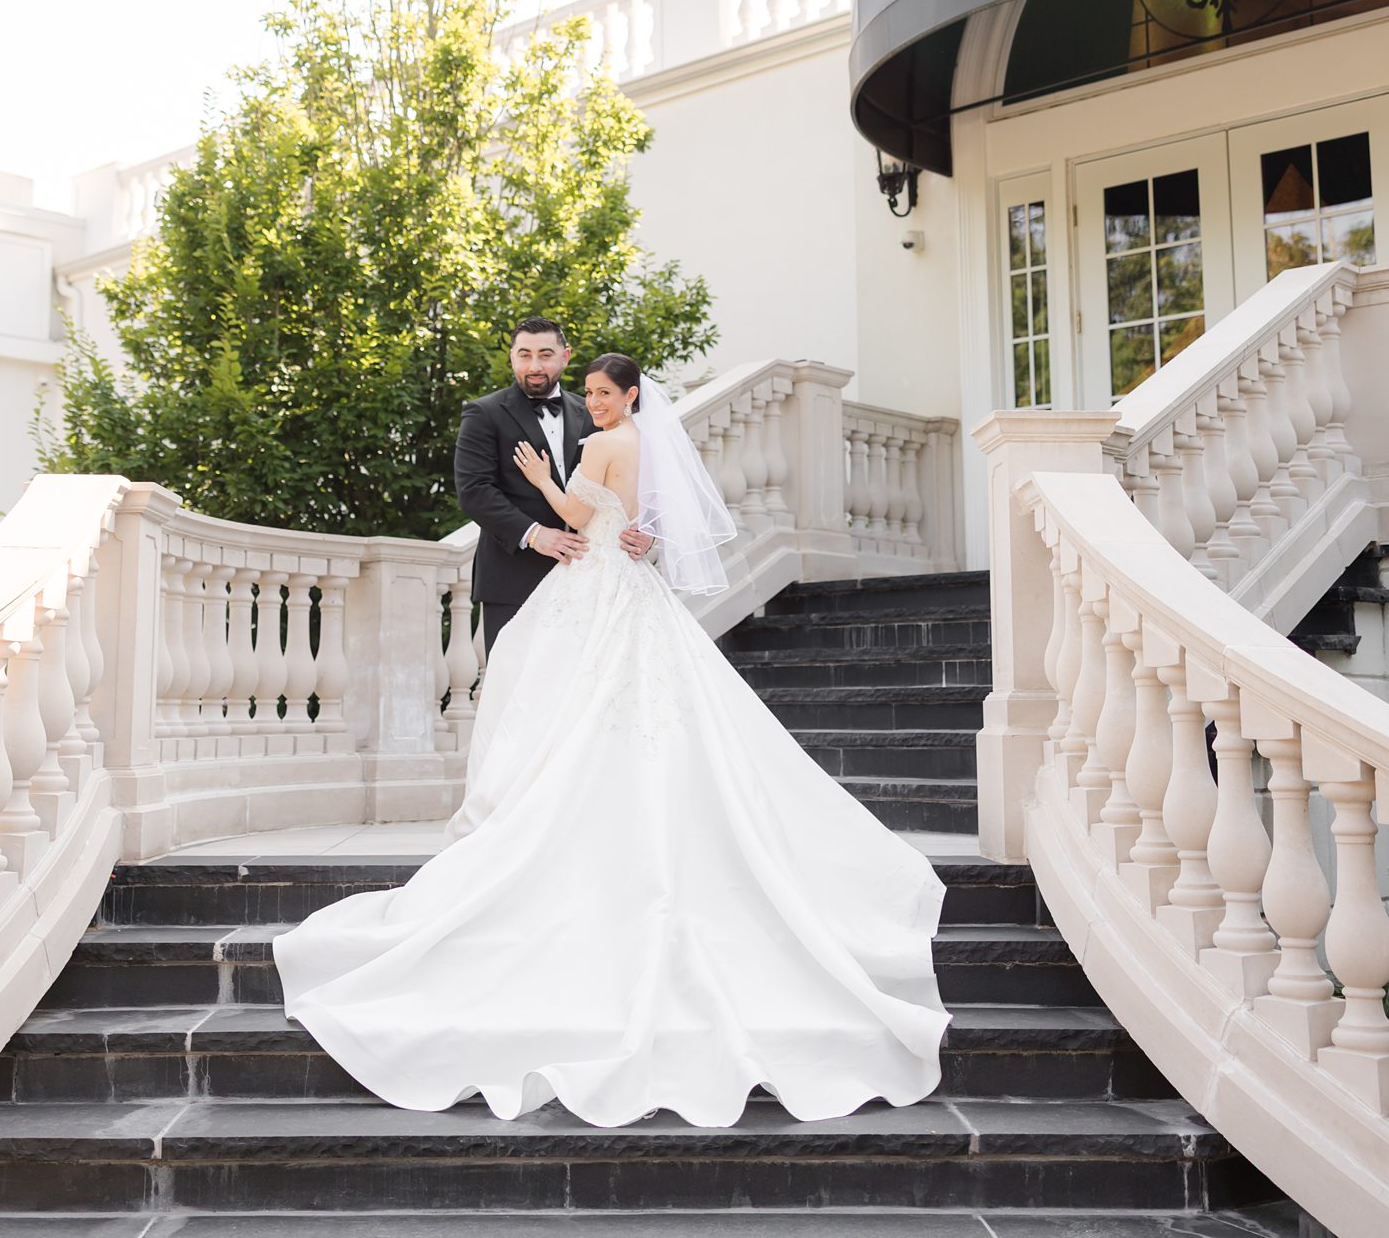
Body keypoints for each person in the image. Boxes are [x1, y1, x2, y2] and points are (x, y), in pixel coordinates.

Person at [273, 350, 951, 1129]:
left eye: (603, 392)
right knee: (621, 707)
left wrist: (541, 483)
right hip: (626, 584)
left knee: (577, 704)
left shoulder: (600, 441)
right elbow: (643, 517)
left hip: (594, 582)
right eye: (587, 392)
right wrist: (636, 530)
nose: (592, 402)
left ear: (629, 394)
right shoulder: (643, 440)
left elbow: (576, 517)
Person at [450, 316, 655, 646]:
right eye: (524, 354)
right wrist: (534, 535)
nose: (534, 365)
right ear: (512, 356)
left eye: (545, 354)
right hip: (514, 578)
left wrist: (647, 532)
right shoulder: (483, 413)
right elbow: (474, 491)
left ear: (565, 356)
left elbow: (629, 481)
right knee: (516, 688)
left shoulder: (594, 411)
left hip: (590, 579)